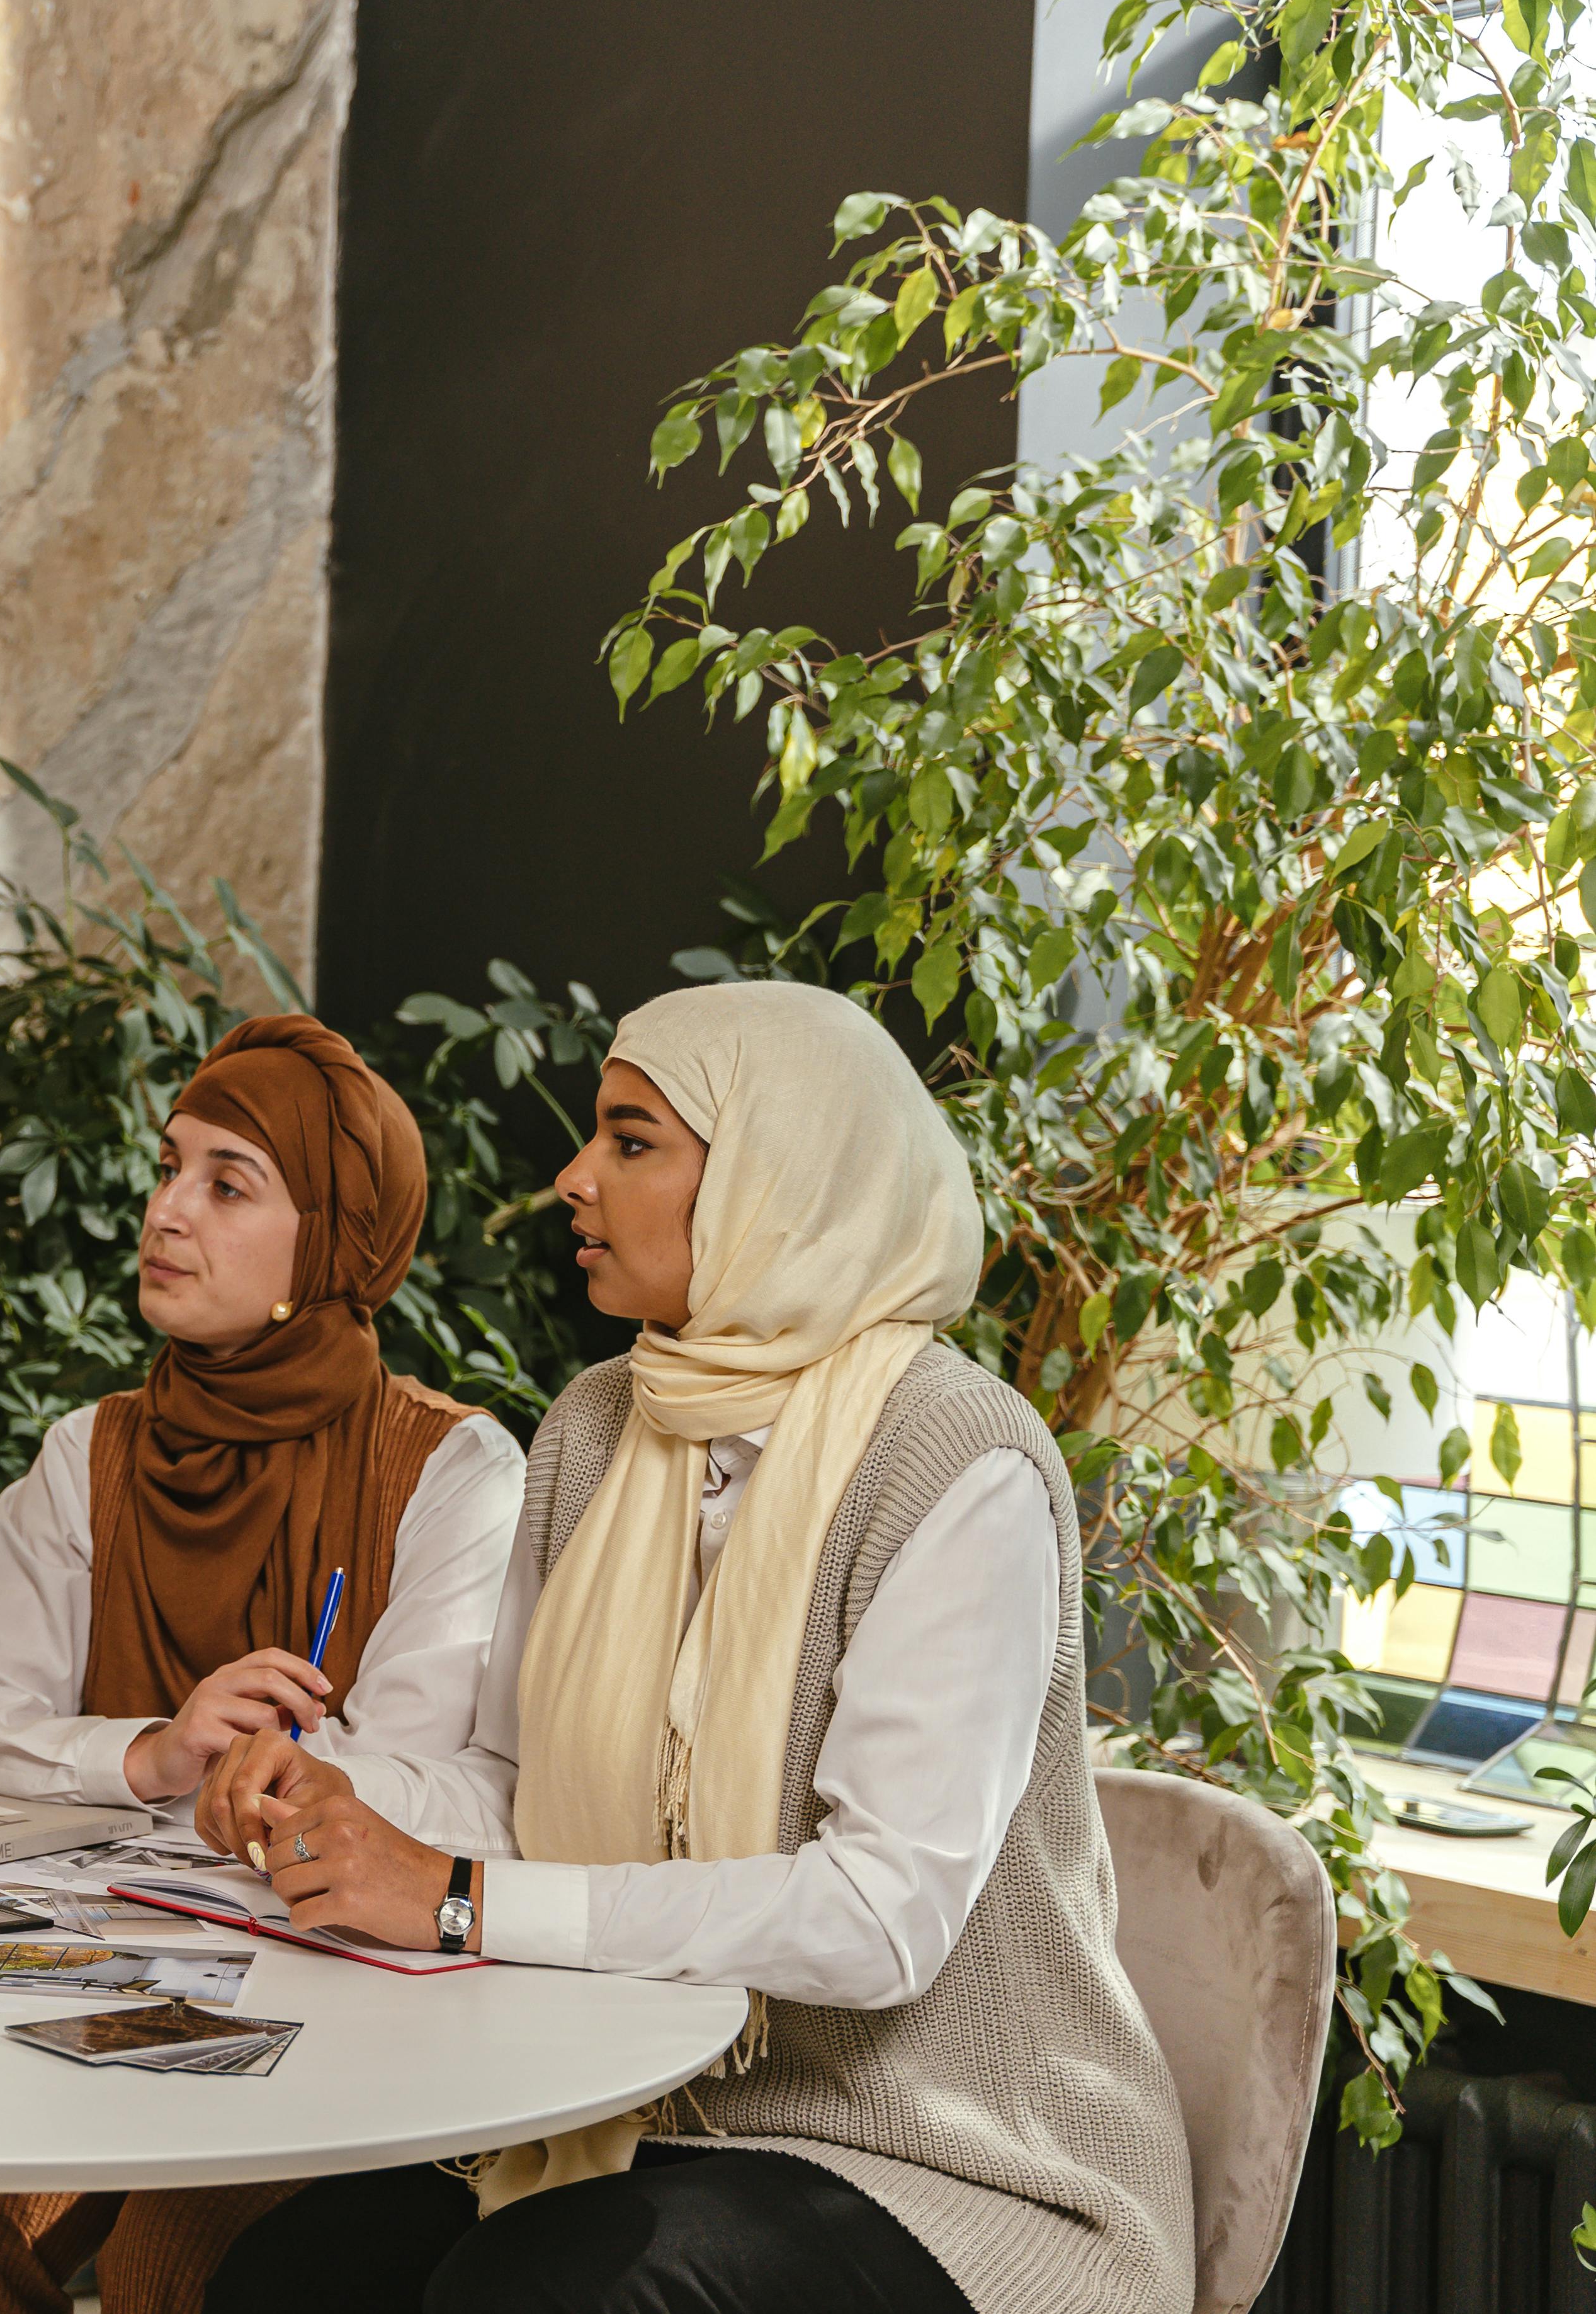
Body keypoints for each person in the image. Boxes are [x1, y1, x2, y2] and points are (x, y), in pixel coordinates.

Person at [197, 980, 1192, 2314]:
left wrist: (450, 1896)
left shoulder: (959, 1460)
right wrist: (339, 1796)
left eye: (629, 1140)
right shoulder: (597, 1424)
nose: (571, 1178)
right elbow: (510, 1782)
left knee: (546, 2297)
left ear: (774, 1178)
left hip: (934, 2157)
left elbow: (877, 1914)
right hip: (620, 2094)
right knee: (288, 2278)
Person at [0, 1013, 524, 2314]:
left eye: (226, 1183)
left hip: (329, 2009)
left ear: (331, 1242)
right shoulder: (89, 1452)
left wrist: (265, 1791)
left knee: (163, 2269)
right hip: (93, 1980)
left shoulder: (450, 1469)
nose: (165, 1211)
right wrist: (150, 1751)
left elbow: (433, 1783)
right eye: (168, 1165)